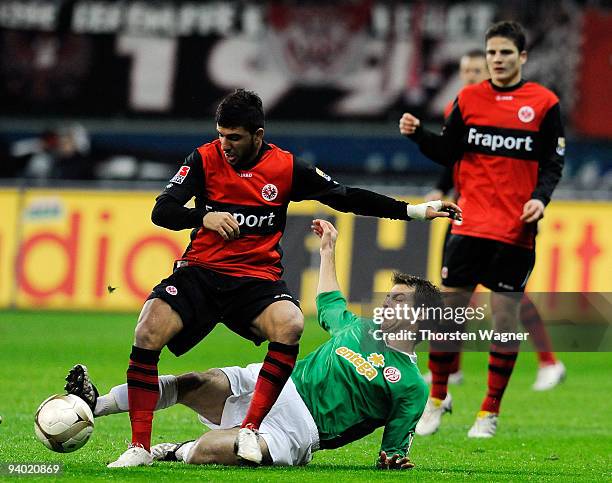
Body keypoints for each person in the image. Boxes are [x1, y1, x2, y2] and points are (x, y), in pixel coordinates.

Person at [110, 89, 461, 467]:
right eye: (221, 134)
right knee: (148, 330)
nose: (225, 144)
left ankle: (247, 427)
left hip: (255, 280)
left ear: (257, 134)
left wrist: (414, 211)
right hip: (202, 271)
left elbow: (344, 196)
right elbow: (162, 211)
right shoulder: (203, 158)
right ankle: (136, 444)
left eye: (235, 137)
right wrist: (203, 217)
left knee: (291, 323)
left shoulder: (286, 167)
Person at [65, 219, 445, 469]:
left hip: (302, 429)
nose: (387, 303)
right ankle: (94, 404)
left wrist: (394, 459)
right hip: (275, 382)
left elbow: (391, 454)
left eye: (399, 300)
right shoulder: (359, 328)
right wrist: (328, 250)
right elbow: (330, 303)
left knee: (214, 449)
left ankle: (174, 450)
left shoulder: (412, 386)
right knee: (193, 382)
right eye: (389, 296)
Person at [399, 21, 565, 437]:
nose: (497, 59)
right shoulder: (468, 100)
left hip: (515, 230)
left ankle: (489, 410)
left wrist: (540, 198)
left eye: (506, 53)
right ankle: (437, 399)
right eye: (492, 52)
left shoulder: (544, 104)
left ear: (522, 57)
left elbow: (553, 162)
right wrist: (420, 136)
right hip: (469, 225)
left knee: (504, 318)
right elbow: (448, 153)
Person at [423, 50, 566, 390]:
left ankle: (549, 361)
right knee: (458, 294)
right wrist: (441, 189)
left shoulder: (513, 109)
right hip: (467, 213)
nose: (470, 76)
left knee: (506, 296)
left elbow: (537, 160)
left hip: (510, 215)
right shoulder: (460, 107)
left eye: (476, 70)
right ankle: (451, 370)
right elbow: (457, 160)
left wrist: (534, 199)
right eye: (465, 70)